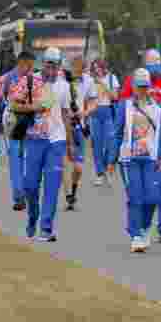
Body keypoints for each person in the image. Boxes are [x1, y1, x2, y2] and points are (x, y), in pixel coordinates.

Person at [118, 49, 161, 242]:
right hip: (136, 145)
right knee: (138, 190)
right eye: (151, 62)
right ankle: (137, 226)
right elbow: (124, 105)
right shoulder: (134, 80)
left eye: (158, 61)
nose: (155, 65)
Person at [8, 47, 73, 242]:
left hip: (56, 141)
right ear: (42, 64)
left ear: (59, 66)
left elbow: (65, 114)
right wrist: (33, 107)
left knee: (52, 185)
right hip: (34, 139)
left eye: (55, 66)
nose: (52, 70)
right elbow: (13, 104)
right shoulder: (29, 81)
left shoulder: (64, 86)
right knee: (30, 186)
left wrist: (70, 144)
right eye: (48, 65)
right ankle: (33, 216)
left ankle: (46, 228)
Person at [111, 68, 161, 253]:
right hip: (129, 159)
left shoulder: (159, 107)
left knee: (153, 197)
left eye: (145, 86)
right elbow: (116, 133)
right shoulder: (125, 106)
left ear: (150, 86)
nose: (142, 90)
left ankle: (144, 227)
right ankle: (135, 235)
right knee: (135, 196)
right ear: (133, 87)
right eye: (139, 86)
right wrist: (110, 159)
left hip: (150, 158)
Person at [0, 51, 37, 212]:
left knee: (27, 158)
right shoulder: (6, 79)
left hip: (32, 122)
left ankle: (24, 192)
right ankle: (19, 195)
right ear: (22, 62)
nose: (31, 68)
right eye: (30, 64)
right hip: (14, 121)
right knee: (16, 157)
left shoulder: (35, 78)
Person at [64, 56, 97, 210]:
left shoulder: (88, 81)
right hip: (61, 127)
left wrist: (84, 113)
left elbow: (93, 103)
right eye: (75, 66)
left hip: (79, 126)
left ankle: (73, 191)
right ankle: (68, 196)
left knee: (78, 168)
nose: (78, 69)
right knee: (64, 163)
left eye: (81, 67)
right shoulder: (62, 78)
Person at [89, 59, 120, 186]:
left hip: (108, 112)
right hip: (95, 113)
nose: (97, 70)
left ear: (103, 67)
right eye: (94, 68)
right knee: (97, 144)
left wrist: (102, 83)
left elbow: (115, 97)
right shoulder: (90, 80)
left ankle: (108, 168)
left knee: (111, 143)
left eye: (99, 67)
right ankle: (99, 173)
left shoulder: (112, 78)